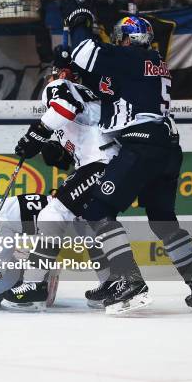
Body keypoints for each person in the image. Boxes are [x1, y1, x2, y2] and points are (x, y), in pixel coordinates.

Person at [55, 15, 192, 313]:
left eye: (121, 37)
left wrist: (79, 21)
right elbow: (114, 90)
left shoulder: (127, 56)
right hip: (168, 147)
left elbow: (85, 51)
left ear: (128, 38)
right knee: (163, 221)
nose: (118, 42)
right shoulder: (154, 61)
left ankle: (130, 281)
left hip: (141, 144)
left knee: (98, 210)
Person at [14, 47, 119, 308]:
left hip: (101, 163)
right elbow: (82, 137)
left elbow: (64, 107)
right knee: (88, 223)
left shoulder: (60, 86)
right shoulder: (92, 93)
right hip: (112, 162)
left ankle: (34, 285)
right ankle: (112, 284)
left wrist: (35, 135)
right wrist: (57, 153)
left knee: (53, 213)